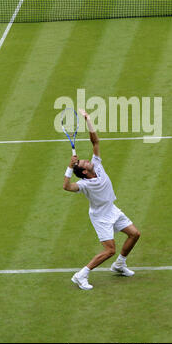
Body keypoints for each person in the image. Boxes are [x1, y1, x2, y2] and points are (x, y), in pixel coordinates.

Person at [63, 109, 140, 290]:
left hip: (111, 209)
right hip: (101, 217)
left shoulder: (96, 164)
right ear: (83, 172)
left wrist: (88, 119)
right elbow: (67, 186)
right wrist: (68, 167)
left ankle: (120, 265)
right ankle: (81, 275)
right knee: (109, 250)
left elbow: (95, 141)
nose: (87, 161)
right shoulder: (84, 185)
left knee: (135, 234)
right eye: (83, 163)